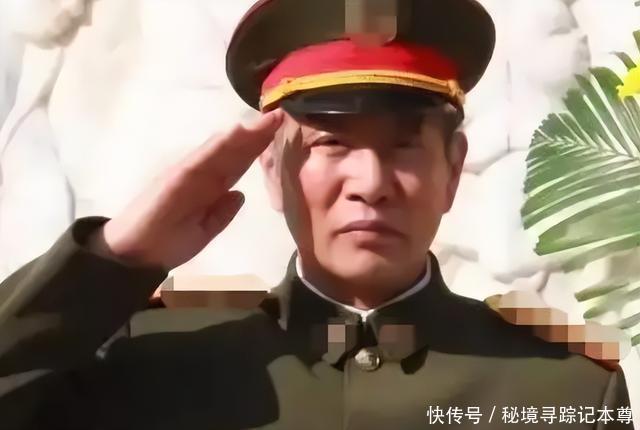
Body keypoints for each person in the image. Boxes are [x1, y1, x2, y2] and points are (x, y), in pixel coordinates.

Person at [0, 0, 634, 429]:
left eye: (404, 146)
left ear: (452, 168)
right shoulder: (148, 364)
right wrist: (114, 259)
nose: (371, 184)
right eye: (331, 143)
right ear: (271, 170)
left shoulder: (564, 393)